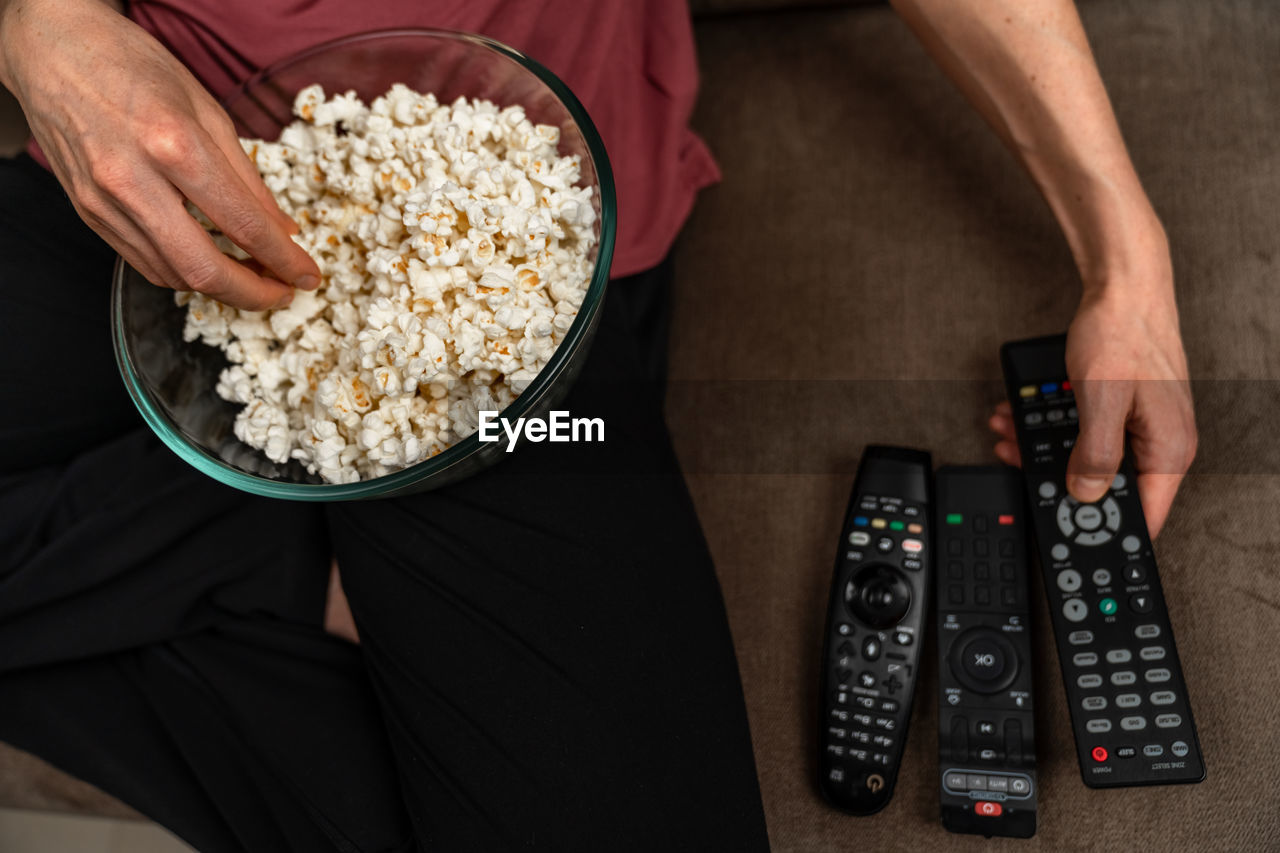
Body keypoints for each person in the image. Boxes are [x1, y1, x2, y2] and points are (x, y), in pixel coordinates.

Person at [0, 1, 1195, 852]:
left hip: (514, 260)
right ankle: (271, 549)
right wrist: (39, 29)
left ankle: (272, 533)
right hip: (167, 171)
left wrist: (1124, 260)